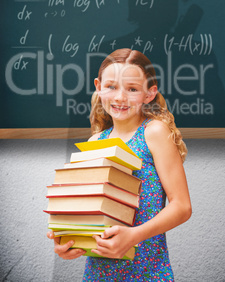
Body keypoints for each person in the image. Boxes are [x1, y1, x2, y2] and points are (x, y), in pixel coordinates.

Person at [47, 48, 192, 281]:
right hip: (98, 273)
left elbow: (182, 207)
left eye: (132, 89)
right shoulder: (95, 142)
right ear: (98, 85)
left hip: (147, 272)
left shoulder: (154, 133)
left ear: (150, 93)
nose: (120, 98)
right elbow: (91, 212)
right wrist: (70, 239)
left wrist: (133, 236)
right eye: (111, 86)